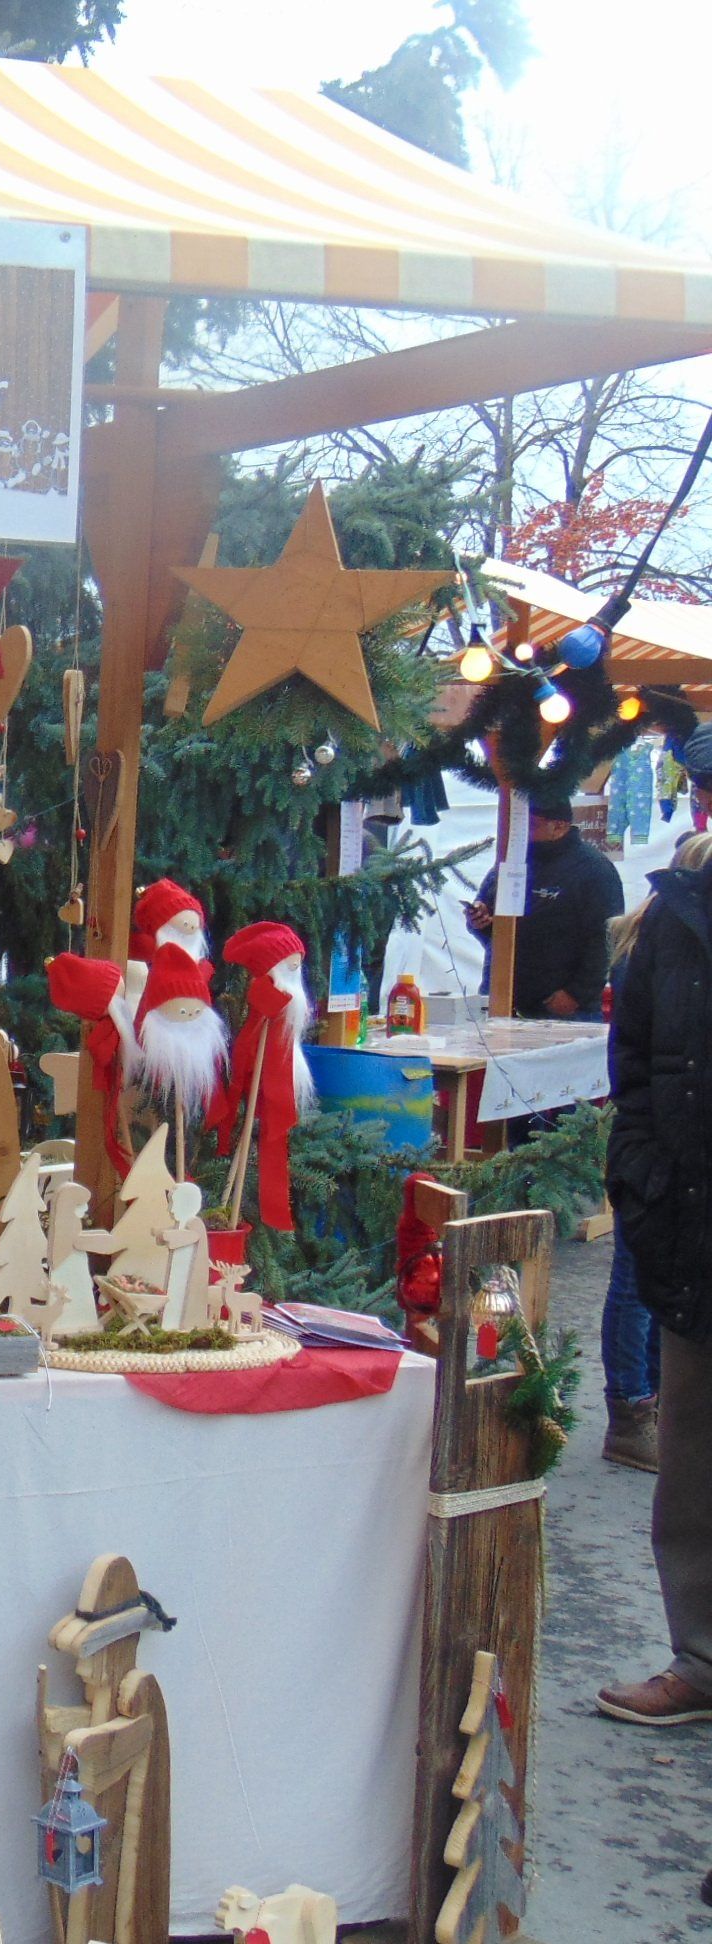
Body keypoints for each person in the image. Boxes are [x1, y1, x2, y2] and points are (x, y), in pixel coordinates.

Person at [598, 733, 712, 1727]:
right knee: (693, 1463)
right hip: (694, 1220)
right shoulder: (673, 919)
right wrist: (641, 1172)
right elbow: (632, 1057)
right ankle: (701, 1660)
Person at [596, 833, 712, 1473]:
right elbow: (634, 1062)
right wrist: (639, 1163)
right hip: (670, 1177)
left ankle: (646, 1402)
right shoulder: (665, 929)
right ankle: (632, 1404)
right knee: (636, 1282)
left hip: (674, 1178)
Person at [463, 798, 623, 1019]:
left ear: (559, 827)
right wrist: (479, 920)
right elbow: (490, 920)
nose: (522, 832)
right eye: (517, 824)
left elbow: (607, 937)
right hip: (500, 999)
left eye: (530, 825)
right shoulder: (511, 861)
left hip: (560, 1009)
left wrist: (577, 994)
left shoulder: (593, 870)